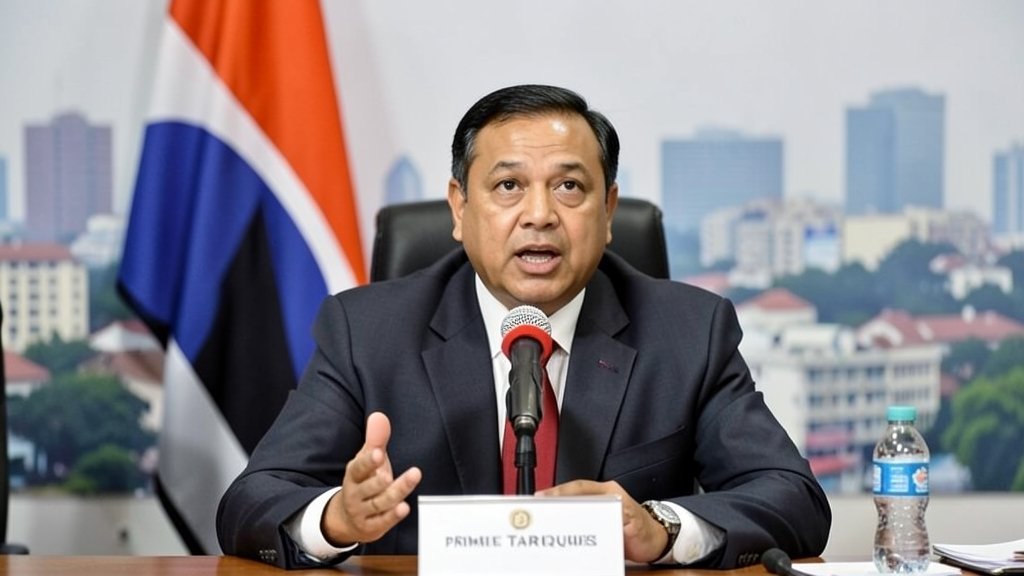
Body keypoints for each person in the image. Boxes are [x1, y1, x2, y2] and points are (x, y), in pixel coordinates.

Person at [216, 84, 831, 569]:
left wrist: (661, 528)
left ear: (609, 210)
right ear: (459, 207)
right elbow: (250, 501)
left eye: (569, 187)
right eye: (508, 186)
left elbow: (792, 498)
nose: (539, 215)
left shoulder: (689, 332)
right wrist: (335, 519)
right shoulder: (368, 332)